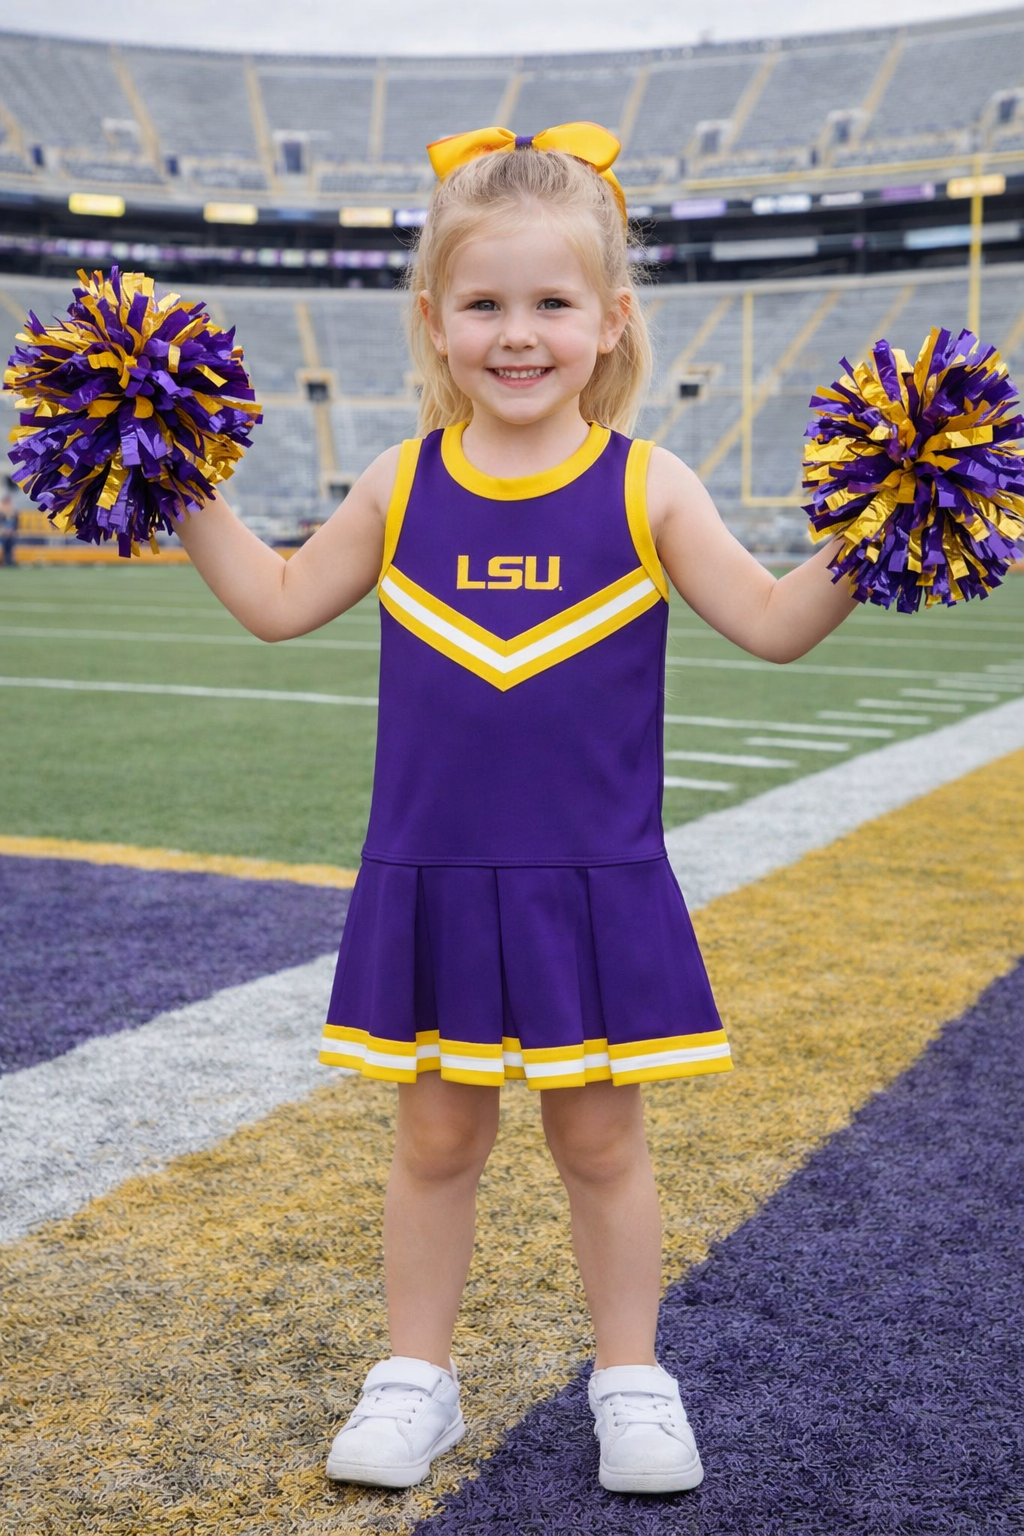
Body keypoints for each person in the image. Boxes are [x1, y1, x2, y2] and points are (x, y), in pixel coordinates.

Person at [174, 122, 857, 1496]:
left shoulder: (649, 483)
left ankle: (632, 1379)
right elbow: (275, 603)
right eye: (485, 304)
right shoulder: (402, 479)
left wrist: (886, 510)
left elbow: (779, 626)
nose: (519, 333)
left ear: (611, 321)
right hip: (434, 871)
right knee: (435, 1134)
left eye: (552, 303)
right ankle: (414, 1377)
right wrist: (161, 463)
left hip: (585, 878)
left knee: (599, 1136)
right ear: (435, 320)